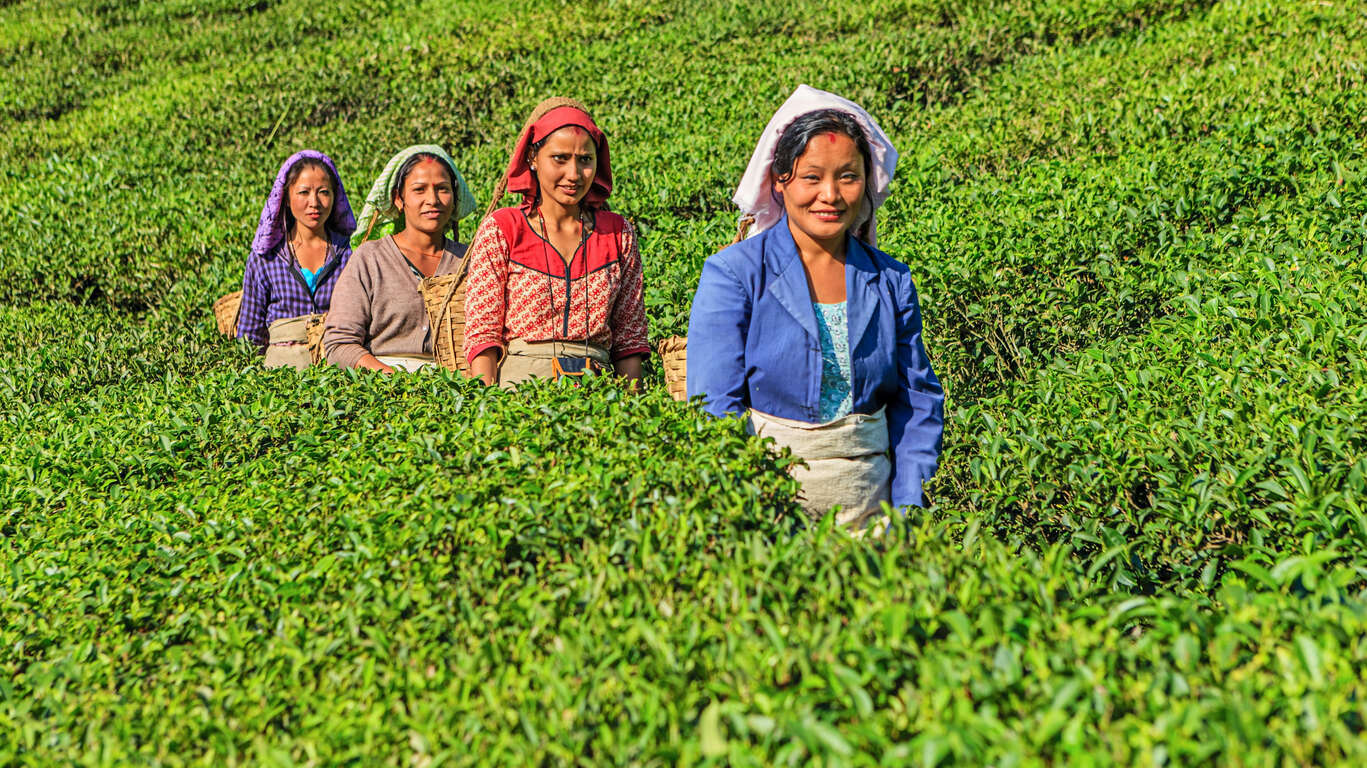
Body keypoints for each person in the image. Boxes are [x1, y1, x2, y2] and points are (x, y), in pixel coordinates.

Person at [686, 85, 944, 529]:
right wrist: (745, 509)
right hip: (767, 503)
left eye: (848, 176)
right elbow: (714, 407)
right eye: (812, 177)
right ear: (780, 182)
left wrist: (906, 509)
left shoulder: (890, 278)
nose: (830, 194)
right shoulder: (735, 273)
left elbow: (916, 401)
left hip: (872, 507)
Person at [461, 98, 649, 387]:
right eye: (560, 158)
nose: (573, 175)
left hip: (598, 390)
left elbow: (629, 337)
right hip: (520, 389)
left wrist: (633, 410)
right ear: (533, 159)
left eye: (585, 159)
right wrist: (485, 404)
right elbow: (483, 333)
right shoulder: (503, 228)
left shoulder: (618, 233)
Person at [323, 145, 478, 372]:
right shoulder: (370, 259)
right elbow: (339, 344)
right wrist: (394, 379)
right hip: (381, 386)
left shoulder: (470, 261)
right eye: (419, 189)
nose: (432, 199)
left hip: (455, 385)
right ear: (398, 198)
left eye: (442, 189)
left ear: (455, 198)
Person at [237, 150, 356, 369]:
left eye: (323, 192)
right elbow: (250, 336)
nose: (314, 202)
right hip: (280, 376)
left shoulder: (350, 254)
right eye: (303, 192)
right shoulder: (265, 259)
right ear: (287, 198)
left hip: (339, 375)